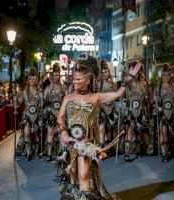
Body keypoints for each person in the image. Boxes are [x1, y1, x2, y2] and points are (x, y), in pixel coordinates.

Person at [56, 55, 140, 199]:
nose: (73, 81)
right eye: (73, 78)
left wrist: (130, 77)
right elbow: (60, 118)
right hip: (70, 142)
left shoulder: (97, 97)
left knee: (84, 175)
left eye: (77, 79)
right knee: (73, 174)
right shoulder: (68, 97)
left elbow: (119, 94)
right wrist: (63, 132)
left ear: (87, 80)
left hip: (87, 143)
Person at [123, 61, 152, 162]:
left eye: (135, 69)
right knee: (131, 128)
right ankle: (127, 152)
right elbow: (121, 93)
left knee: (139, 131)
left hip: (141, 111)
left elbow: (148, 99)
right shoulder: (127, 83)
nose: (134, 72)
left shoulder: (144, 84)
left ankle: (138, 150)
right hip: (130, 110)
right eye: (131, 69)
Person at [153, 63, 174, 162]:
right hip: (161, 112)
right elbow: (154, 99)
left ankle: (168, 150)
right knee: (163, 132)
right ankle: (164, 153)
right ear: (162, 76)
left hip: (172, 113)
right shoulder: (158, 87)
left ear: (170, 75)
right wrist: (156, 97)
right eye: (164, 75)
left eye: (168, 75)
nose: (166, 77)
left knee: (168, 134)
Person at [15, 67, 41, 160]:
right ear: (28, 80)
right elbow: (20, 102)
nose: (32, 80)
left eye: (34, 78)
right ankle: (28, 152)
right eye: (30, 78)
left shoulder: (39, 92)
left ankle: (36, 152)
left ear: (36, 80)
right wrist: (16, 98)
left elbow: (43, 103)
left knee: (36, 135)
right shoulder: (24, 92)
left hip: (37, 116)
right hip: (27, 116)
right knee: (27, 133)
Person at [44, 63, 68, 161]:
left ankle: (61, 152)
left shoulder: (64, 87)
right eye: (53, 75)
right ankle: (49, 154)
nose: (55, 77)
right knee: (50, 132)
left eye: (57, 75)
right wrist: (44, 94)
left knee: (61, 132)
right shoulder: (48, 88)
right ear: (51, 76)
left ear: (59, 76)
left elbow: (67, 99)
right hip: (51, 112)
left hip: (61, 113)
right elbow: (44, 100)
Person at [98, 60, 118, 152]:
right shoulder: (97, 85)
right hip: (100, 109)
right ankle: (102, 150)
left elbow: (118, 96)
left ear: (109, 72)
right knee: (101, 128)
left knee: (110, 128)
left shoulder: (113, 84)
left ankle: (109, 148)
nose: (104, 74)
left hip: (111, 108)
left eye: (106, 71)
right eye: (102, 72)